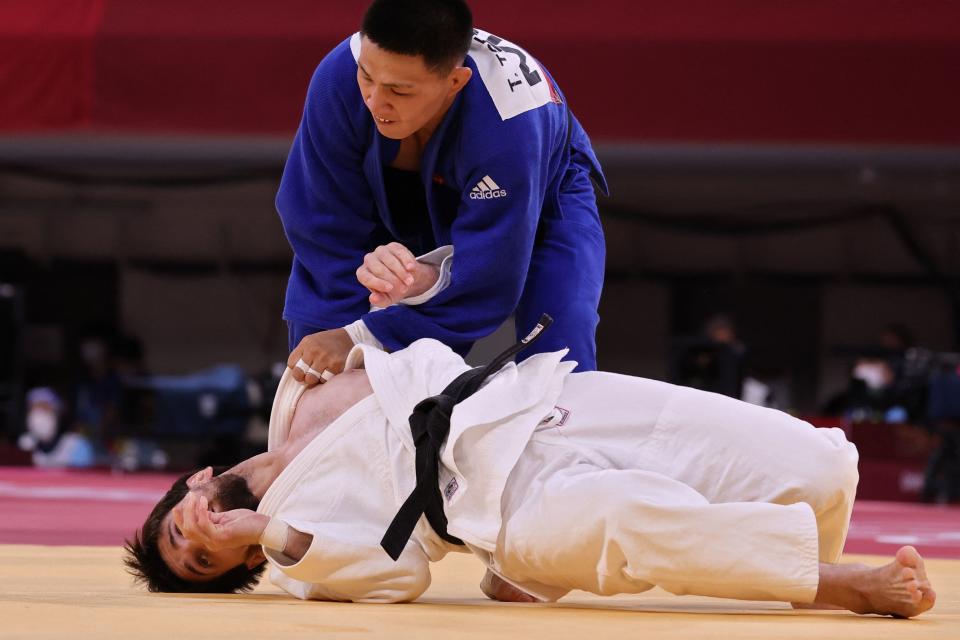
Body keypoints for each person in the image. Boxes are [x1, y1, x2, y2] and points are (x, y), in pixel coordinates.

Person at [124, 335, 937, 618]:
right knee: (627, 514)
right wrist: (268, 532)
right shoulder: (299, 554)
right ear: (241, 567)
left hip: (542, 404)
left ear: (192, 486)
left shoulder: (302, 384)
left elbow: (424, 319)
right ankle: (832, 583)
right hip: (498, 508)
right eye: (204, 563)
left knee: (821, 460)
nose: (201, 541)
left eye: (179, 532)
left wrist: (352, 325)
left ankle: (779, 560)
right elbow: (394, 576)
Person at [277, 0, 607, 389]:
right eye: (367, 78)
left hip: (538, 195)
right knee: (319, 364)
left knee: (559, 351)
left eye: (399, 90)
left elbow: (489, 277)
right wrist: (341, 334)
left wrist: (365, 336)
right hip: (392, 194)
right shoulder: (338, 79)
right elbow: (321, 223)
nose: (375, 101)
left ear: (455, 82)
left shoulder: (508, 127)